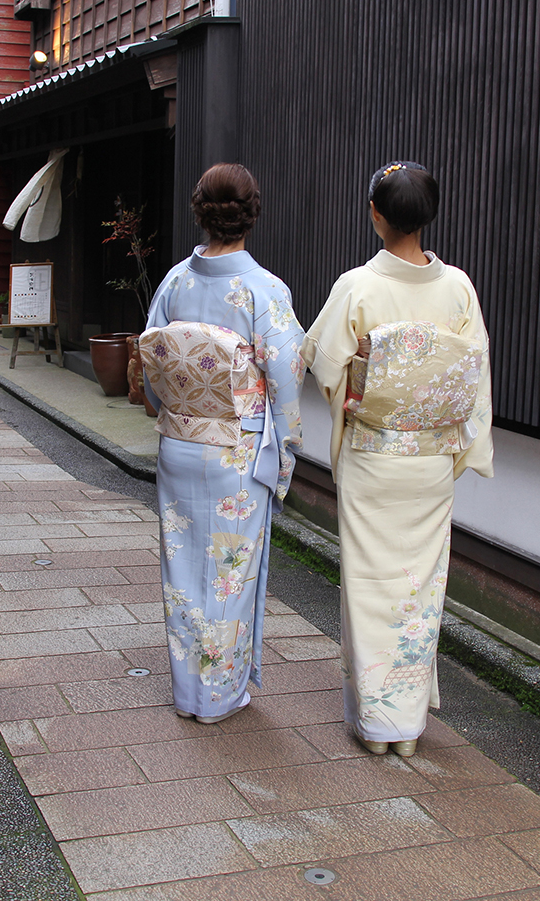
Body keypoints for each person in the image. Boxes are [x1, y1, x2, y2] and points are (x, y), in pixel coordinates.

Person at [301, 161, 493, 757]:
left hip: (374, 457)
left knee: (370, 586)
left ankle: (376, 725)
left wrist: (365, 376)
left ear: (376, 216)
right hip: (430, 462)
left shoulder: (357, 286)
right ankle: (406, 729)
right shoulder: (458, 286)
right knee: (419, 588)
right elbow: (473, 378)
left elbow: (324, 365)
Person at [140, 163, 305, 723]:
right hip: (237, 452)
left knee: (183, 570)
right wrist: (286, 450)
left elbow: (152, 372)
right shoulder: (264, 290)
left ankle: (188, 693)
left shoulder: (174, 282)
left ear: (200, 211)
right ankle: (219, 696)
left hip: (180, 444)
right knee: (230, 574)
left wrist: (173, 407)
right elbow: (286, 379)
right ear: (251, 213)